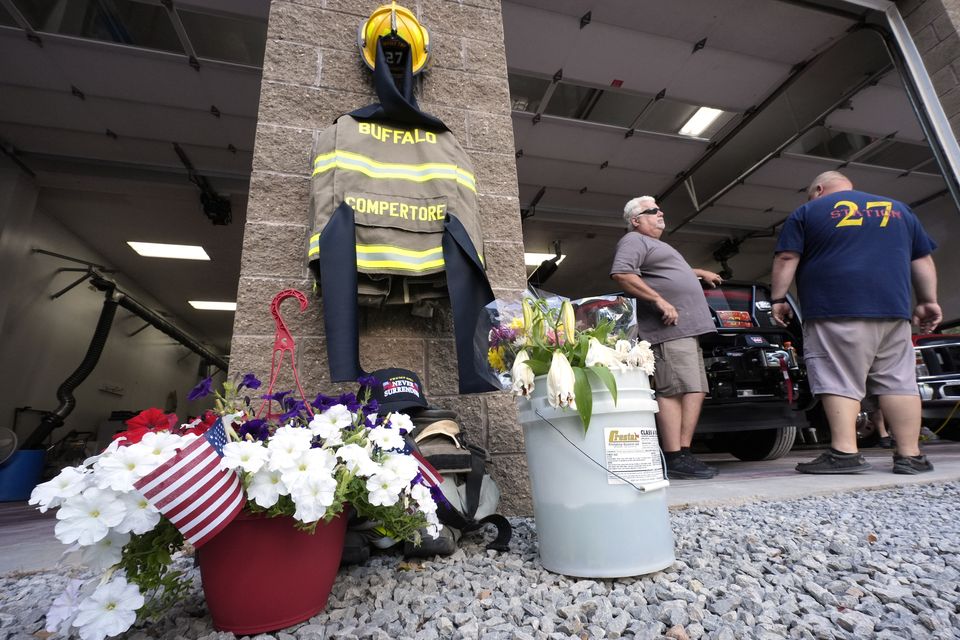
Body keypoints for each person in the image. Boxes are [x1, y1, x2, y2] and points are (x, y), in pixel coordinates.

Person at [770, 171, 941, 475]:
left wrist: (778, 298)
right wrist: (928, 301)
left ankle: (845, 452)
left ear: (818, 189)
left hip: (835, 308)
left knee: (838, 377)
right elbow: (922, 259)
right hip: (893, 311)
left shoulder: (808, 211)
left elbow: (786, 257)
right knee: (899, 381)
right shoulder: (899, 209)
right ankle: (910, 455)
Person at [610, 196, 723, 479]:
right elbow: (622, 274)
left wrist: (697, 272)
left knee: (695, 388)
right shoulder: (634, 240)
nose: (660, 213)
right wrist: (660, 300)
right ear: (636, 220)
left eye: (660, 208)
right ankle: (674, 455)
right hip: (668, 329)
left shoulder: (657, 245)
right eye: (652, 211)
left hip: (687, 329)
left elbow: (666, 272)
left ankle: (683, 452)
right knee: (674, 389)